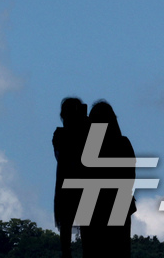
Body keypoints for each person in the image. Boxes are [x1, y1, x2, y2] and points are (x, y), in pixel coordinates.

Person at [80, 101, 135, 258]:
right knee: (119, 251)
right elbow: (130, 176)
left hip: (91, 204)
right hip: (119, 202)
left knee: (92, 252)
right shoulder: (122, 143)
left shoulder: (87, 146)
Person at [52, 97, 89, 258]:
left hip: (65, 186)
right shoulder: (85, 134)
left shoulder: (60, 135)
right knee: (87, 232)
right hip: (85, 186)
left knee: (66, 229)